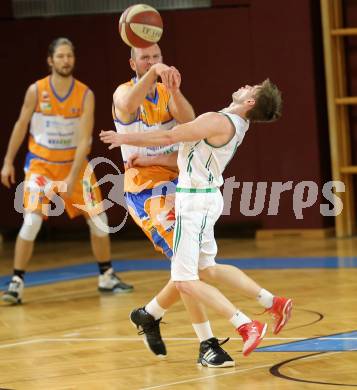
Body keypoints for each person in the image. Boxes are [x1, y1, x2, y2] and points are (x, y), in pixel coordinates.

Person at [101, 78, 293, 358]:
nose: (245, 86)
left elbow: (170, 137)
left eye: (252, 88)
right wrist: (147, 161)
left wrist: (124, 139)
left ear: (250, 102)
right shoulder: (235, 124)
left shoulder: (218, 120)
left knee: (184, 280)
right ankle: (272, 302)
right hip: (205, 197)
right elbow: (188, 155)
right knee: (208, 270)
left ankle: (245, 324)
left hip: (193, 202)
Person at [111, 43, 234, 367]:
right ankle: (206, 345)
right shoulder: (124, 93)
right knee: (190, 265)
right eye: (145, 59)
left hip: (180, 184)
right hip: (145, 190)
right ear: (133, 64)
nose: (152, 63)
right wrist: (152, 74)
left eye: (156, 58)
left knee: (191, 267)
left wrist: (173, 89)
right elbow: (126, 105)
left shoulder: (166, 94)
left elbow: (189, 122)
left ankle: (149, 314)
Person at [1, 37, 133, 305]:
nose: (65, 60)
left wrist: (72, 177)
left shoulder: (85, 94)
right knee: (32, 220)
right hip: (41, 164)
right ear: (50, 60)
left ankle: (106, 276)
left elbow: (84, 140)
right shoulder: (36, 91)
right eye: (60, 56)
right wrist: (7, 161)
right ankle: (16, 282)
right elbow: (20, 125)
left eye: (69, 56)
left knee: (99, 221)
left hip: (75, 165)